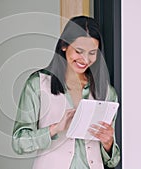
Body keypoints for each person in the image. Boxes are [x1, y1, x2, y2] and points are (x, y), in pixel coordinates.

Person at [12, 16, 120, 169]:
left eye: (92, 53)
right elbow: (19, 143)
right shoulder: (38, 84)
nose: (85, 59)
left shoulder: (107, 92)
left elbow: (112, 161)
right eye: (79, 51)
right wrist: (55, 128)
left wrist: (108, 142)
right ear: (64, 45)